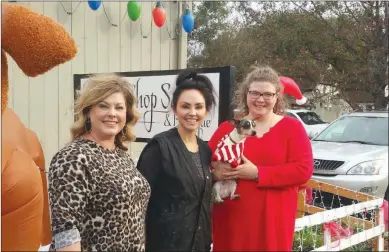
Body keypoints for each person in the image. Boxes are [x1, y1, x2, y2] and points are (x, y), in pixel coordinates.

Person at [209, 66, 313, 251]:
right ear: (246, 94)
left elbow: (303, 170)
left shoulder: (292, 128)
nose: (260, 99)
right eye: (254, 93)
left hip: (272, 222)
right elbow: (202, 166)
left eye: (267, 94)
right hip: (231, 222)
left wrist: (258, 173)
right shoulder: (227, 129)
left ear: (277, 97)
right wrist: (215, 173)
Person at [48, 74, 150, 251]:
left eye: (119, 108)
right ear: (88, 111)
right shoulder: (73, 157)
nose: (112, 113)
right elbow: (65, 229)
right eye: (103, 106)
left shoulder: (120, 155)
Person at [136, 71, 216, 251]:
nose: (192, 113)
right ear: (174, 109)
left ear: (206, 110)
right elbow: (138, 202)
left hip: (198, 243)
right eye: (185, 106)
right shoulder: (159, 147)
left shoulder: (205, 150)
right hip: (164, 243)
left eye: (198, 107)